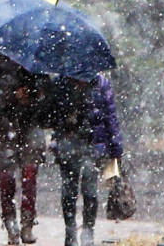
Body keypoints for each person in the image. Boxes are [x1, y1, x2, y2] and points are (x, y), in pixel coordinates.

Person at [48, 74, 124, 246]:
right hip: (67, 142)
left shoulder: (100, 83)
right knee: (69, 189)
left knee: (90, 189)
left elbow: (110, 116)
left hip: (92, 145)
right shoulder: (61, 82)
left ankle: (88, 230)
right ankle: (70, 230)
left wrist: (115, 148)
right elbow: (50, 114)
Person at [0, 54, 49, 245]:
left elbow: (47, 104)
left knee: (29, 180)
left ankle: (27, 225)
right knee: (6, 181)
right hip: (5, 131)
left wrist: (32, 97)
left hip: (30, 131)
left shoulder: (38, 69)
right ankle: (10, 225)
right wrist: (13, 96)